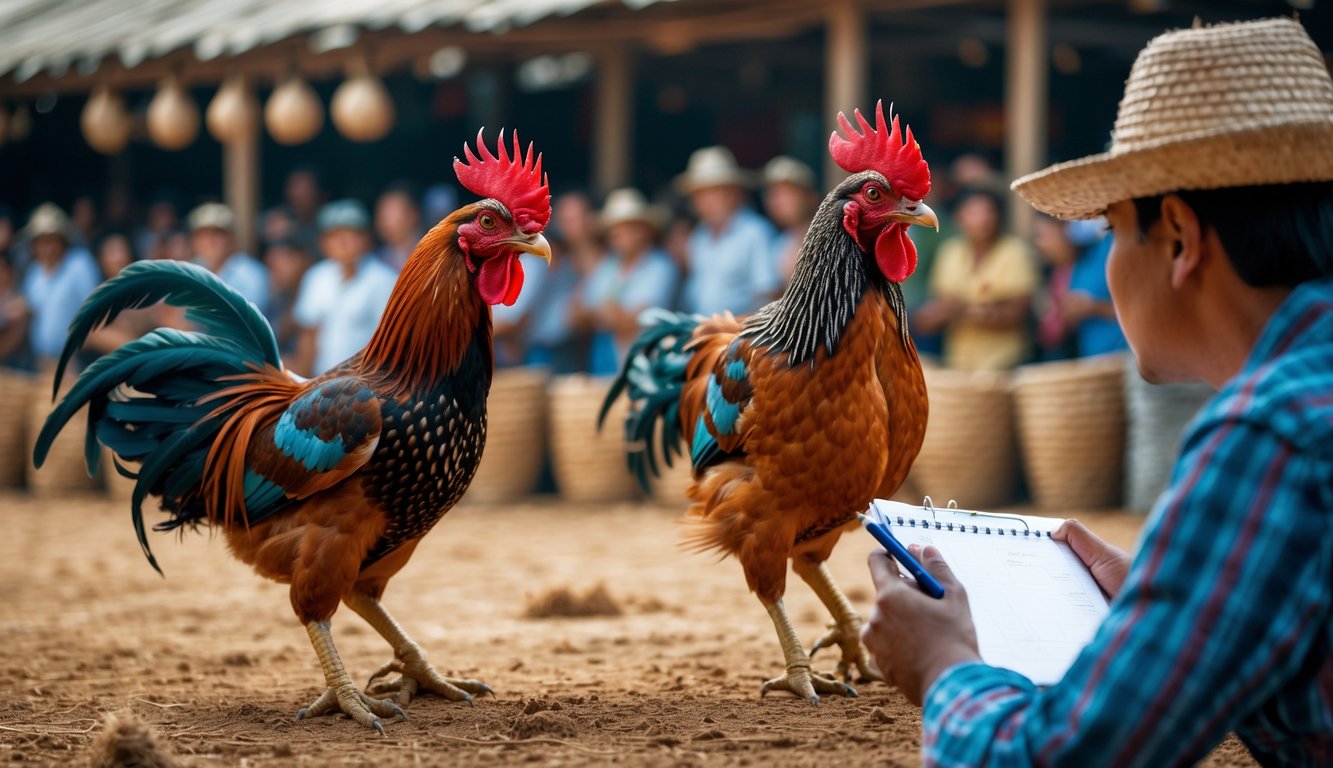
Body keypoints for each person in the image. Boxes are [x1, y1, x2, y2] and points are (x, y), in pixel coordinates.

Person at [862, 18, 1333, 766]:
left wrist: (945, 664)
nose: (1104, 262)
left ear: (1177, 236)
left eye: (1109, 228)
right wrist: (1172, 607)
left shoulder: (1270, 433)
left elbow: (1065, 757)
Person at [912, 187, 1039, 370]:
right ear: (959, 218)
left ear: (998, 216)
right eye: (973, 212)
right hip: (960, 362)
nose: (983, 219)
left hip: (1007, 362)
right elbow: (939, 309)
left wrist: (962, 310)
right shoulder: (951, 252)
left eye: (988, 211)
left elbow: (1018, 314)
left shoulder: (1014, 252)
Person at [572, 188, 680, 374]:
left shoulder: (660, 266)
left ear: (643, 231)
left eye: (624, 227)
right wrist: (611, 315)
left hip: (647, 361)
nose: (616, 233)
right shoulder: (607, 265)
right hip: (606, 361)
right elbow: (575, 315)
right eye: (613, 228)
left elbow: (636, 320)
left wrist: (602, 314)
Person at [291, 200, 397, 376]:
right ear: (323, 242)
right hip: (321, 385)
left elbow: (390, 343)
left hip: (365, 387)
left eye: (352, 234)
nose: (343, 242)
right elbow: (308, 337)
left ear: (367, 239)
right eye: (335, 235)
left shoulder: (384, 280)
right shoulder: (316, 276)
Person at [676, 146, 778, 316]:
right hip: (703, 334)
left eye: (715, 191)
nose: (707, 201)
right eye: (700, 194)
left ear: (733, 193)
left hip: (740, 336)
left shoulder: (755, 233)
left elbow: (767, 296)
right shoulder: (698, 237)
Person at [18, 203, 101, 371]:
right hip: (41, 362)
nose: (47, 248)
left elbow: (94, 311)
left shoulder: (79, 264)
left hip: (77, 361)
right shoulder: (33, 273)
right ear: (34, 246)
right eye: (42, 242)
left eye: (51, 241)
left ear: (62, 240)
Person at [187, 203, 269, 316]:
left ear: (232, 238)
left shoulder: (251, 273)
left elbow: (247, 321)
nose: (209, 241)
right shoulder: (191, 268)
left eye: (217, 234)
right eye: (202, 235)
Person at [761, 156, 820, 284]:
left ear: (810, 198)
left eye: (787, 193)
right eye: (773, 194)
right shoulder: (780, 243)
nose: (777, 201)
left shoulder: (828, 240)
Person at [262, 238, 312, 363]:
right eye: (271, 266)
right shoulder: (280, 298)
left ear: (303, 260)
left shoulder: (317, 291)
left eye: (282, 263)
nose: (276, 271)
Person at [374, 184, 423, 272]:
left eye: (392, 210)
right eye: (381, 211)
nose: (384, 217)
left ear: (413, 215)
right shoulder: (376, 259)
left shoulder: (429, 254)